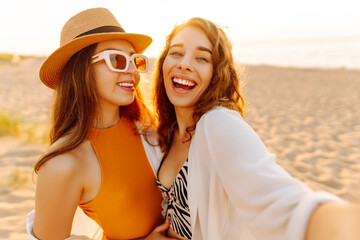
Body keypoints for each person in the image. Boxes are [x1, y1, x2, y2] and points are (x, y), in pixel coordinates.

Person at [153, 17, 360, 240]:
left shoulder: (217, 124)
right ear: (163, 62)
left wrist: (338, 225)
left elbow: (281, 200)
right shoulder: (165, 132)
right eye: (176, 52)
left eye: (202, 57)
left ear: (216, 73)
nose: (184, 63)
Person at [26, 7, 178, 240]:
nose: (133, 72)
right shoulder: (63, 165)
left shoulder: (148, 129)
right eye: (116, 59)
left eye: (133, 60)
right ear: (81, 69)